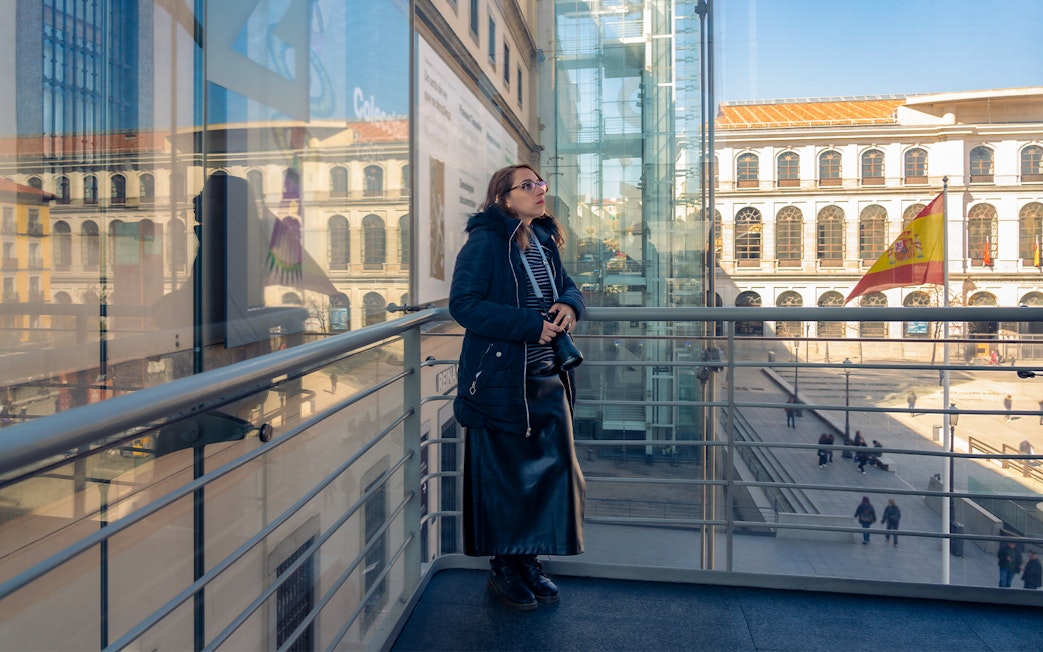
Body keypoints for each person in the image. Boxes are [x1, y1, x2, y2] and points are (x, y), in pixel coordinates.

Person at [450, 164, 586, 611]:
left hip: (549, 378)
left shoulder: (544, 240)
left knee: (546, 477)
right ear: (504, 199)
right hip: (502, 381)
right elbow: (464, 306)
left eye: (540, 183)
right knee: (505, 479)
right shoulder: (485, 242)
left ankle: (528, 561)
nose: (539, 190)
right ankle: (504, 567)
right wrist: (531, 325)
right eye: (527, 186)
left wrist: (569, 304)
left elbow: (567, 287)